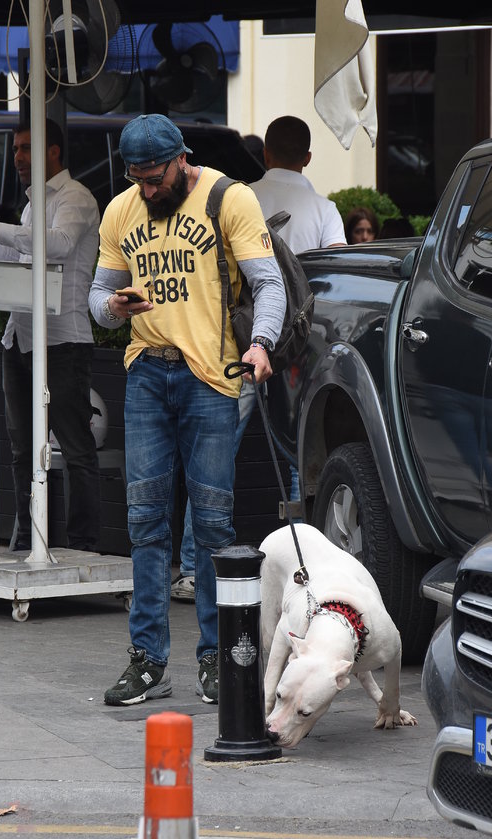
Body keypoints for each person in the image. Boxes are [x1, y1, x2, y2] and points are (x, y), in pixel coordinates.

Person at [89, 113, 285, 705]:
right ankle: (148, 661)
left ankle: (217, 658)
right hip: (147, 371)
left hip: (211, 377)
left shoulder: (230, 198)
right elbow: (97, 298)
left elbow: (268, 284)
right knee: (145, 521)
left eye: (156, 179)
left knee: (213, 524)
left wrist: (261, 343)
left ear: (181, 160)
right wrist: (116, 308)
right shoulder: (121, 211)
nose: (148, 191)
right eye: (138, 180)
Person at [174, 115, 346, 602]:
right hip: (298, 350)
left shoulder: (238, 198)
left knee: (214, 454)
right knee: (299, 455)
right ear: (307, 158)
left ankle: (193, 569)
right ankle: (305, 569)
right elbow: (335, 275)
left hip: (237, 343)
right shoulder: (325, 210)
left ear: (265, 154)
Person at [0, 119, 101, 553]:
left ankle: (82, 547)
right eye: (16, 149)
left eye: (26, 148)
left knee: (75, 450)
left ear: (53, 151)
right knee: (23, 450)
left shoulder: (75, 196)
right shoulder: (31, 204)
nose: (18, 157)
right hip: (19, 338)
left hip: (63, 342)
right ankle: (27, 542)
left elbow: (56, 244)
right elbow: (13, 254)